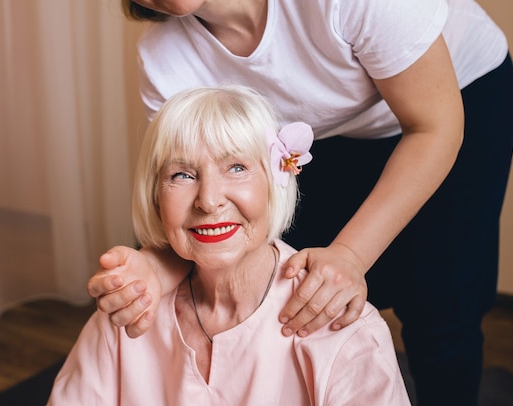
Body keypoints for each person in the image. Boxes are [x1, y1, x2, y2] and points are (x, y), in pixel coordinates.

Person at [61, 0, 513, 404]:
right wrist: (153, 271)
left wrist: (351, 256)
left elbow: (433, 127)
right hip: (320, 132)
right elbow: (199, 207)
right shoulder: (164, 59)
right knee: (300, 290)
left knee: (443, 304)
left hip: (452, 100)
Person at [48, 86, 411, 405]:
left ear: (275, 182)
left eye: (236, 168)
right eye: (182, 175)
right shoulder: (129, 305)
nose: (208, 200)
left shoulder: (345, 327)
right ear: (155, 197)